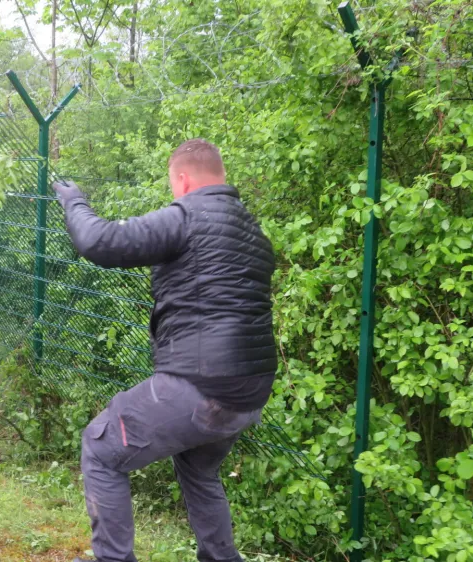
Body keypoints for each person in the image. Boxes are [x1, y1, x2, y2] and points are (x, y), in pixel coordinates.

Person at [54, 139, 276, 562]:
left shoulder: (188, 216)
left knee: (100, 449)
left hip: (201, 384)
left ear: (183, 179)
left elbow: (101, 241)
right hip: (250, 394)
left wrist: (75, 202)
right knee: (198, 470)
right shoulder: (253, 232)